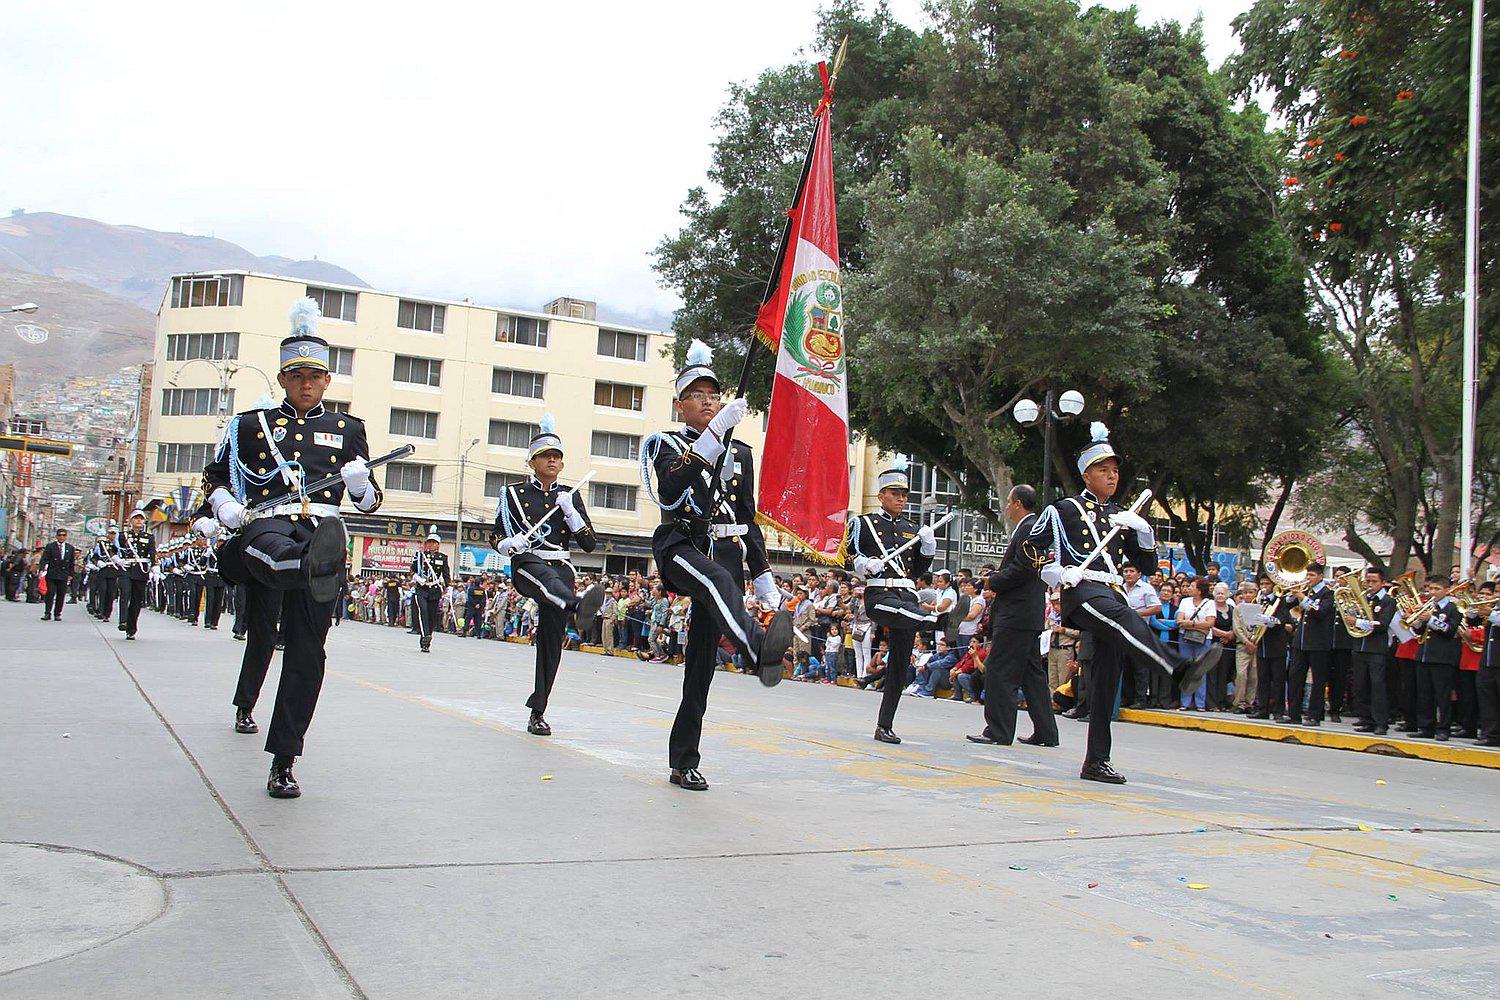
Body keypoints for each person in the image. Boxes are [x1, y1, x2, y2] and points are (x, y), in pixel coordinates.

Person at [203, 296, 383, 798]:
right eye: (297, 375)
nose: (307, 384)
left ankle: (284, 758)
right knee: (273, 558)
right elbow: (215, 478)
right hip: (266, 527)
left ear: (327, 381)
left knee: (308, 652)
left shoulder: (349, 430)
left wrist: (360, 483)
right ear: (282, 378)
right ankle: (303, 565)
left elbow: (368, 504)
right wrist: (222, 507)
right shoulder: (249, 425)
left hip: (320, 534)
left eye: (316, 376)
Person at [1020, 422, 1215, 783]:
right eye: (1103, 470)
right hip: (1082, 592)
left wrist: (1143, 531)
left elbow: (1146, 566)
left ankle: (1096, 760)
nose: (1111, 476)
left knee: (1107, 679)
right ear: (1086, 474)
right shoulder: (1062, 509)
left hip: (1111, 590)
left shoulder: (1121, 515)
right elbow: (1030, 548)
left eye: (1114, 470)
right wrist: (1057, 574)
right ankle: (1178, 669)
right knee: (1123, 618)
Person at [639, 340, 792, 791]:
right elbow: (668, 490)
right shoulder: (662, 443)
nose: (708, 400)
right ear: (680, 404)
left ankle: (683, 760)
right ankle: (756, 648)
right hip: (682, 546)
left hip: (726, 551)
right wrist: (710, 440)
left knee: (700, 669)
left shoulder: (742, 452)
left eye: (714, 394)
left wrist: (763, 573)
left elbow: (746, 517)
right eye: (697, 394)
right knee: (717, 577)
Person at [492, 414, 603, 735]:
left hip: (561, 566)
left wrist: (570, 513)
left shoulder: (570, 495)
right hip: (527, 564)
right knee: (542, 576)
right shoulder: (511, 495)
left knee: (551, 644)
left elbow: (589, 543)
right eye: (546, 456)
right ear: (532, 462)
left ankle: (538, 710)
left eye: (558, 457)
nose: (553, 460)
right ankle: (576, 605)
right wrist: (509, 544)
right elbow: (495, 535)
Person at [845, 455, 938, 744]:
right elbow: (846, 557)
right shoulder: (864, 524)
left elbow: (919, 572)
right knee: (906, 613)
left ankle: (884, 725)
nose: (901, 499)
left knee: (899, 665)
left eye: (904, 494)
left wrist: (928, 547)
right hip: (880, 592)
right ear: (881, 495)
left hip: (906, 593)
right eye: (895, 494)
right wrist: (863, 565)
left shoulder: (912, 528)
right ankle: (931, 618)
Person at [968, 484, 1057, 747]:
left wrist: (993, 581)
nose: (1006, 506)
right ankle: (1046, 732)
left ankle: (998, 730)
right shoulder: (1031, 528)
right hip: (1026, 613)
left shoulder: (1029, 528)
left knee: (1000, 670)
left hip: (1017, 612)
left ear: (1018, 503)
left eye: (1008, 502)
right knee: (1032, 675)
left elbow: (1023, 568)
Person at [1409, 579, 1461, 740]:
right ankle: (1426, 726)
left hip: (1442, 658)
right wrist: (1416, 619)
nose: (1432, 592)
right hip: (1424, 655)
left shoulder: (1453, 609)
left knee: (1442, 695)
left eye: (1437, 589)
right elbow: (1418, 631)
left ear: (1447, 590)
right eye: (1431, 588)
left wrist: (1431, 618)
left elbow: (1449, 630)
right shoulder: (1429, 606)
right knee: (1424, 694)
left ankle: (1443, 728)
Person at [1286, 563, 1335, 726]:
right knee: (1295, 677)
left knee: (1317, 680)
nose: (1308, 579)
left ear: (1320, 576)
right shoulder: (1307, 591)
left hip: (1318, 643)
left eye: (1312, 576)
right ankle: (1293, 714)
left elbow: (1320, 611)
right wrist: (1292, 595)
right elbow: (1287, 605)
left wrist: (1302, 597)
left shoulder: (1328, 594)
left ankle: (1315, 715)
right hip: (1301, 642)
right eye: (1307, 576)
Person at [1349, 568, 1396, 735]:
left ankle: (1381, 722)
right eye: (1368, 581)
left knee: (1377, 686)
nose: (1370, 585)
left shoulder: (1388, 601)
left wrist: (1358, 622)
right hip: (1360, 646)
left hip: (1377, 649)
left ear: (1382, 583)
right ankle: (1366, 718)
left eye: (1374, 582)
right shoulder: (1363, 598)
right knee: (1361, 685)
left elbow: (1382, 625)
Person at [1248, 575, 1295, 721]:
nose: (1264, 587)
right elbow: (1251, 620)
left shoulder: (1280, 602)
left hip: (1277, 645)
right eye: (1262, 584)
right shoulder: (1258, 601)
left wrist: (1268, 620)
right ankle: (1262, 709)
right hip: (1262, 645)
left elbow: (1284, 621)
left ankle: (1278, 710)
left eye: (1267, 584)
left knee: (1278, 680)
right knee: (1263, 679)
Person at [1120, 564, 1162, 707]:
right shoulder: (1120, 588)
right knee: (1125, 667)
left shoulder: (1146, 588)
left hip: (1139, 631)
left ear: (1139, 573)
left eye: (1132, 571)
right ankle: (1126, 698)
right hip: (1123, 631)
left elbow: (1157, 607)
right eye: (1126, 571)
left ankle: (1140, 699)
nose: (1128, 574)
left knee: (1140, 668)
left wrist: (1137, 613)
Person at [114, 505, 156, 639]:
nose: (138, 521)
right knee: (125, 593)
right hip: (127, 568)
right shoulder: (123, 536)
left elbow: (152, 552)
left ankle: (131, 629)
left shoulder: (149, 537)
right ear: (131, 521)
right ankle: (123, 621)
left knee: (136, 600)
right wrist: (118, 560)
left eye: (141, 519)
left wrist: (154, 565)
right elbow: (114, 551)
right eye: (136, 518)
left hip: (141, 570)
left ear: (144, 522)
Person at [408, 528, 450, 653]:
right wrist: (417, 578)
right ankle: (425, 635)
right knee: (423, 612)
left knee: (432, 616)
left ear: (438, 544)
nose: (431, 544)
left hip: (434, 590)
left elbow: (446, 574)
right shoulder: (420, 555)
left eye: (434, 542)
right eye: (429, 542)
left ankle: (426, 641)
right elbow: (412, 570)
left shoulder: (443, 558)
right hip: (421, 588)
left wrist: (449, 586)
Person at [1175, 579, 1214, 710]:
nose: (1189, 588)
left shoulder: (1209, 603)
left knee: (1200, 670)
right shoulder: (1184, 601)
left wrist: (1190, 624)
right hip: (1185, 638)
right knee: (1186, 669)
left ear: (1199, 590)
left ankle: (1200, 703)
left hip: (1203, 640)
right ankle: (1185, 702)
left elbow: (1210, 624)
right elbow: (1179, 621)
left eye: (1192, 586)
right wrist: (1198, 626)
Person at [1230, 582, 1261, 713]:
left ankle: (1249, 702)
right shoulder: (1238, 608)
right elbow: (1237, 627)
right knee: (1242, 675)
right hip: (1243, 645)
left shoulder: (1260, 607)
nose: (1248, 595)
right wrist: (1246, 641)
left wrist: (1255, 642)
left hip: (1256, 645)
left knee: (1254, 675)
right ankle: (1239, 702)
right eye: (1245, 593)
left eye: (1251, 592)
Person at [39, 527, 76, 622]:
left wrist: (71, 574)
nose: (61, 537)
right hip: (52, 574)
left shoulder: (70, 548)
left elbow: (72, 562)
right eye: (60, 535)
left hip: (63, 575)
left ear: (66, 537)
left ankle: (58, 613)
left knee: (61, 595)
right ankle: (47, 613)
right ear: (56, 536)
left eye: (63, 535)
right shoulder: (50, 546)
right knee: (50, 593)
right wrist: (42, 569)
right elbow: (44, 559)